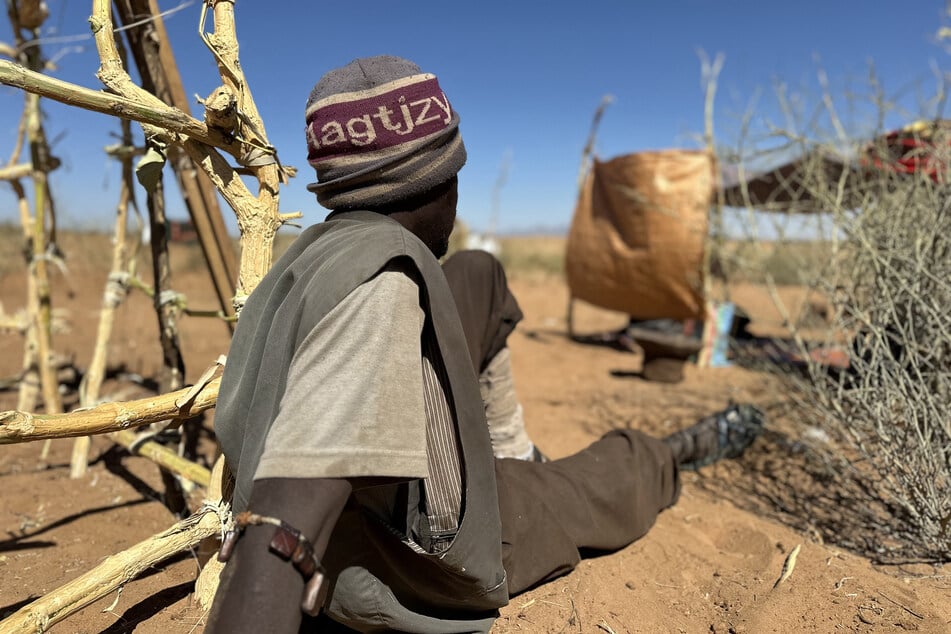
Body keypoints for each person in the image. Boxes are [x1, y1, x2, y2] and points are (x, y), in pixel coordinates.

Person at [206, 55, 764, 634]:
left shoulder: (322, 252)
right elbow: (279, 531)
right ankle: (668, 454)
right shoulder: (380, 294)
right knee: (615, 473)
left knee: (477, 273)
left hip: (382, 493)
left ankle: (514, 453)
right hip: (424, 556)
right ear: (433, 184)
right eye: (455, 178)